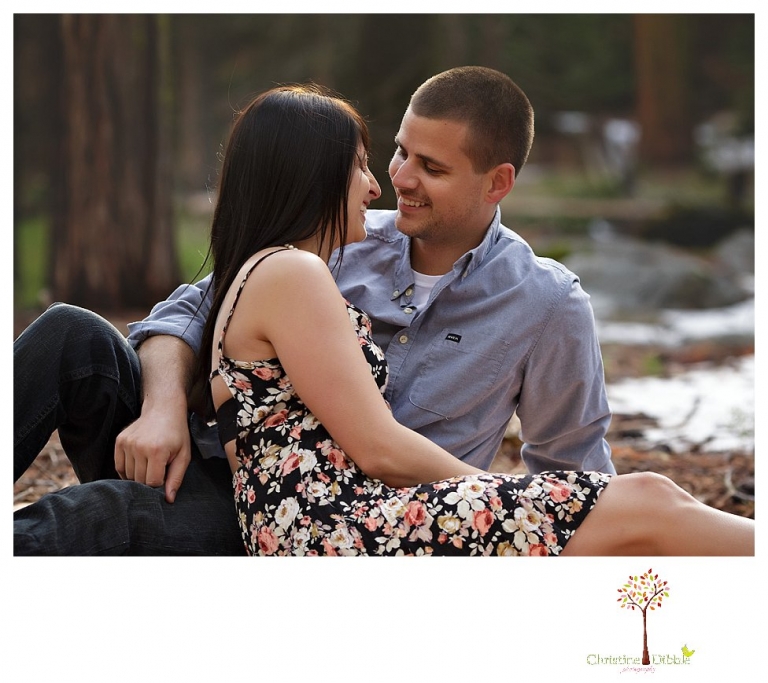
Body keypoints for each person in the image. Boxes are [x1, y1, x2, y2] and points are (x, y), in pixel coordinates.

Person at [11, 67, 747, 555]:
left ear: (498, 182)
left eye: (430, 167)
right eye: (394, 154)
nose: (395, 181)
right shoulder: (333, 246)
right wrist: (165, 402)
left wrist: (516, 521)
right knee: (70, 335)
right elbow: (193, 306)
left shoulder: (547, 303)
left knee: (104, 516)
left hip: (354, 516)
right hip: (243, 474)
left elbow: (573, 470)